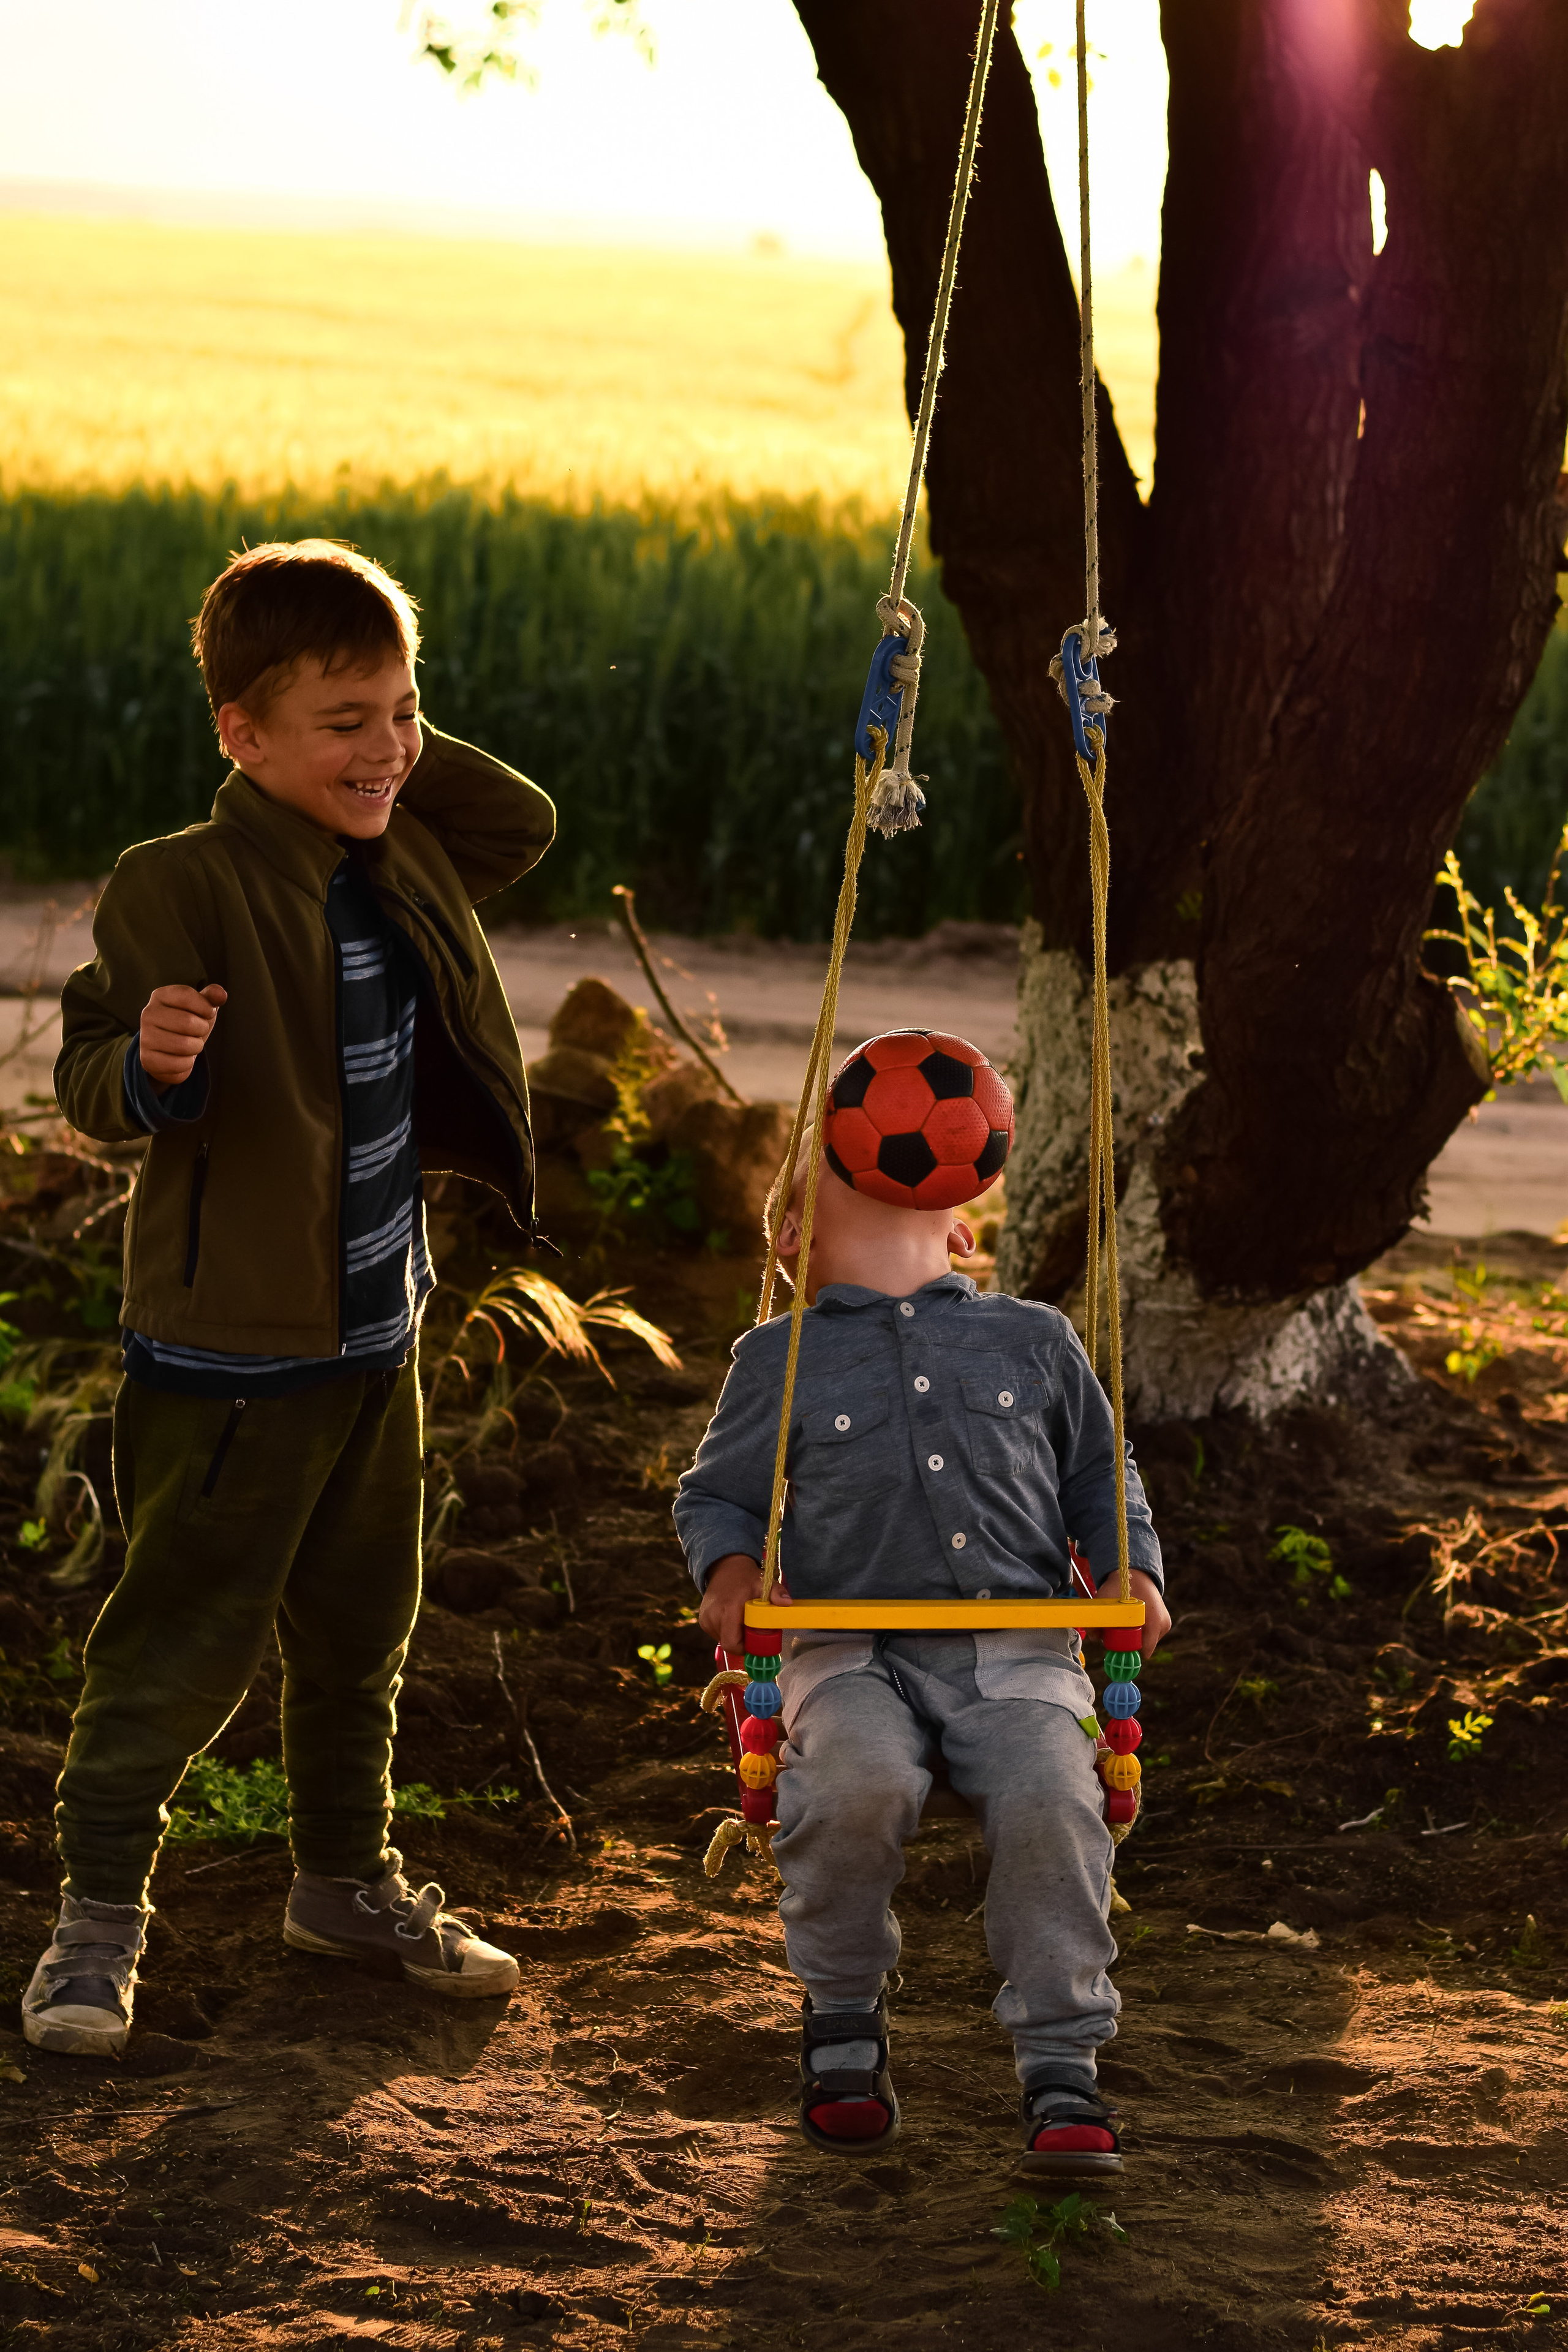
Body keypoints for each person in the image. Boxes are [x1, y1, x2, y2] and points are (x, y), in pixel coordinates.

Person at [24, 538, 554, 2057]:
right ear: (237, 735)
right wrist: (149, 1067)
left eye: (403, 712)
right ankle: (97, 1923)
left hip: (376, 1330)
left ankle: (343, 1882)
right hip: (229, 1350)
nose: (388, 749)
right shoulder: (175, 884)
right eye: (343, 724)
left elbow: (520, 819)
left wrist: (374, 738)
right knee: (178, 1637)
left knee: (359, 1626)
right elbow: (86, 1083)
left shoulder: (407, 845)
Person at [673, 1079, 1171, 2174]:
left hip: (1018, 1650)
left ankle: (1061, 2060)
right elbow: (716, 1496)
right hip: (848, 1655)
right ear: (794, 1234)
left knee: (1052, 1796)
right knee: (856, 1786)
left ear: (964, 1219)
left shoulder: (1034, 1339)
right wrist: (735, 1573)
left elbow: (1101, 1473)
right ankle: (844, 2016)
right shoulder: (779, 1358)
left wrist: (1131, 1567)